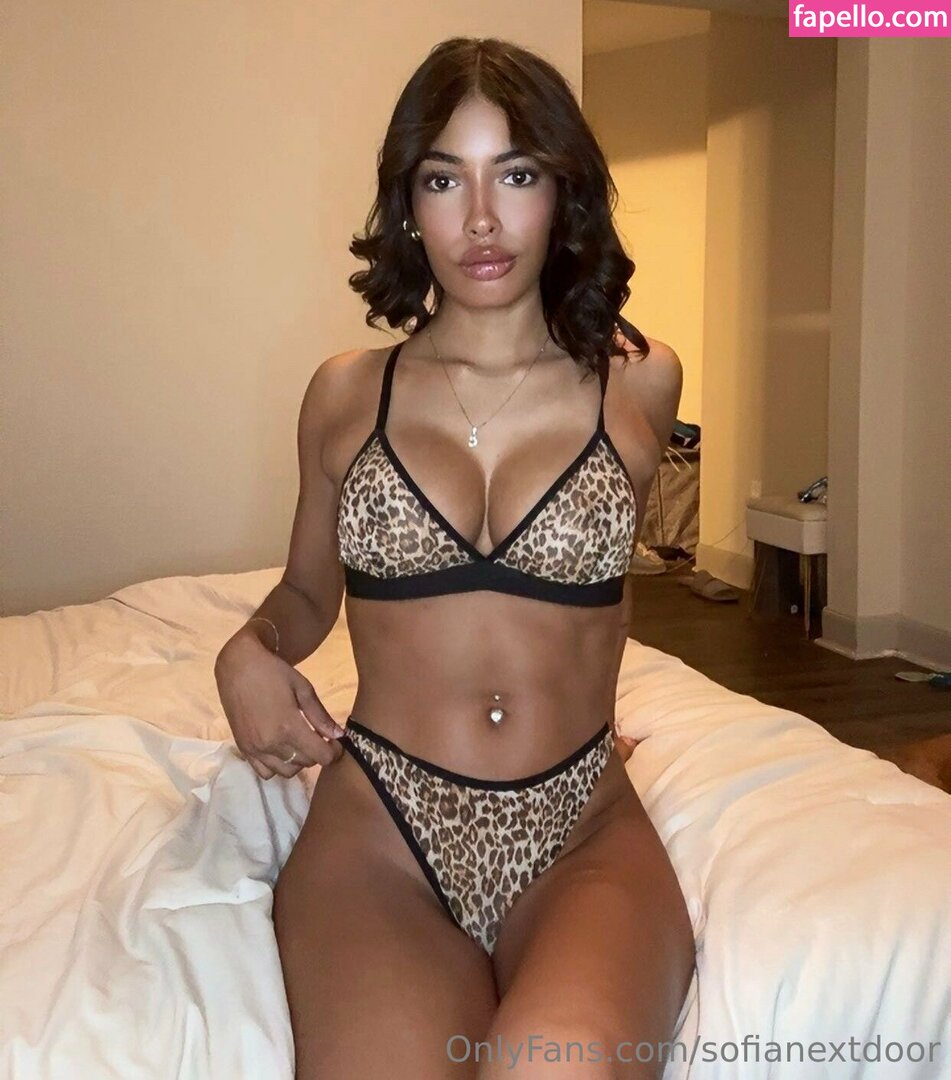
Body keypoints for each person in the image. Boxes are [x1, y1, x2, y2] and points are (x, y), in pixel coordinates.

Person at [214, 36, 695, 1080]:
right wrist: (246, 649)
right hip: (386, 831)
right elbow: (305, 593)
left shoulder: (641, 380)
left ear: (562, 191)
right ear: (407, 203)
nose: (480, 219)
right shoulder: (346, 393)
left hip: (579, 822)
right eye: (444, 180)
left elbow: (603, 595)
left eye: (514, 175)